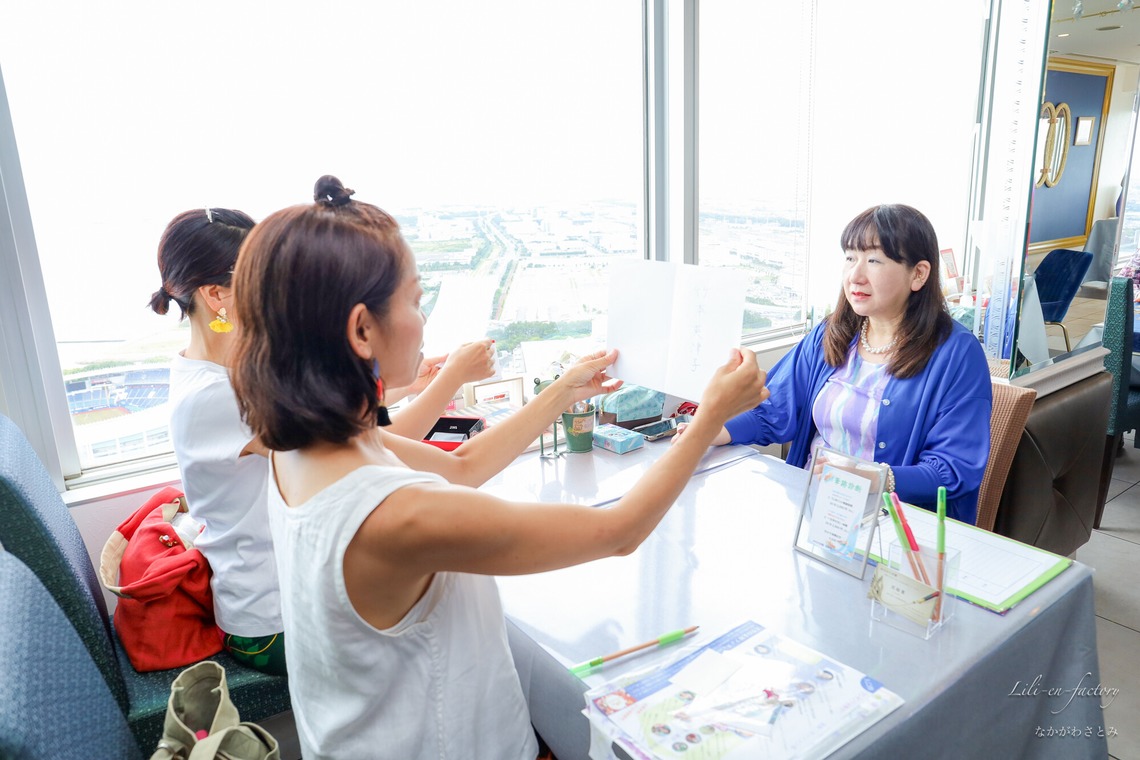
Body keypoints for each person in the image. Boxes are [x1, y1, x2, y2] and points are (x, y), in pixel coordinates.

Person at [227, 175, 768, 759]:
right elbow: (618, 531)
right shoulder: (394, 515)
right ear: (362, 329)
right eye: (414, 299)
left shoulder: (300, 446)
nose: (423, 318)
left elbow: (459, 468)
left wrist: (562, 390)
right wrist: (710, 414)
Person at [149, 207, 495, 676]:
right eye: (260, 277)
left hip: (278, 590)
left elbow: (329, 417)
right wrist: (450, 379)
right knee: (445, 622)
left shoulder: (210, 371)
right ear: (216, 296)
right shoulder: (221, 396)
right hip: (269, 623)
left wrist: (406, 385)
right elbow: (378, 444)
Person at [686, 204, 991, 523]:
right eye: (850, 258)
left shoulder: (957, 354)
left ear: (918, 274)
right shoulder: (830, 334)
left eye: (873, 260)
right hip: (813, 514)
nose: (855, 275)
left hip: (895, 531)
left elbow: (955, 468)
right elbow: (774, 409)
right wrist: (713, 430)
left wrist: (875, 477)